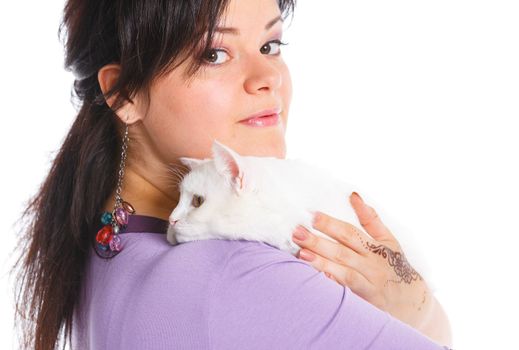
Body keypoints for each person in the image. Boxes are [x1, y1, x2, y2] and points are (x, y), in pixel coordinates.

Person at [11, 0, 453, 349]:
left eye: (270, 46)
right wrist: (416, 308)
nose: (268, 78)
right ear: (123, 93)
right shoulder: (236, 274)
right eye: (214, 53)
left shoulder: (107, 240)